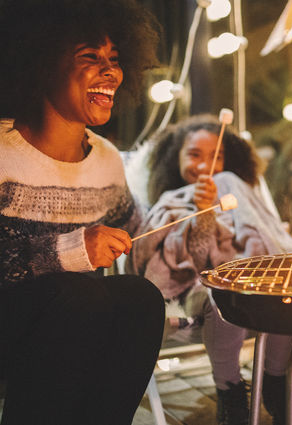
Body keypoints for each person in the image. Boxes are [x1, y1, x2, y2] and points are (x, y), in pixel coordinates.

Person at [0, 0, 165, 424]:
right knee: (80, 293)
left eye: (114, 59)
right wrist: (69, 251)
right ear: (39, 61)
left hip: (71, 332)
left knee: (139, 298)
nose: (111, 72)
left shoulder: (107, 161)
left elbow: (141, 238)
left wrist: (196, 217)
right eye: (90, 57)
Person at [129, 115, 292, 425]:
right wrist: (203, 213)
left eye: (216, 156)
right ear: (176, 158)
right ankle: (230, 392)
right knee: (222, 295)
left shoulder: (237, 193)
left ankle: (276, 383)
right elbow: (194, 259)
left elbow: (265, 234)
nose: (205, 165)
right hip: (195, 290)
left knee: (282, 288)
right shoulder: (171, 201)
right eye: (195, 155)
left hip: (255, 282)